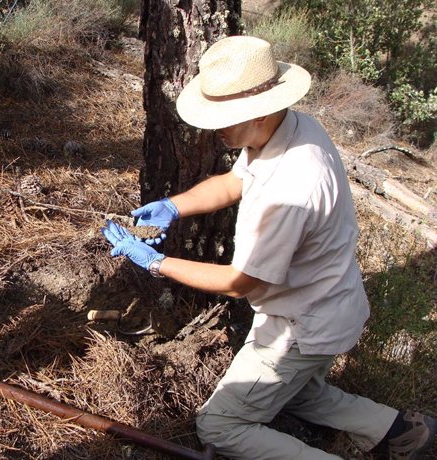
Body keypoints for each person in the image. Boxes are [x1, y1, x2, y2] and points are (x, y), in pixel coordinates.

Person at [102, 36, 436, 459]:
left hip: (301, 324)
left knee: (220, 425)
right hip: (327, 304)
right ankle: (400, 430)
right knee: (296, 392)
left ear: (257, 114)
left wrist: (157, 262)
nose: (215, 128)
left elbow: (240, 282)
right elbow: (234, 182)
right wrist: (173, 206)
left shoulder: (291, 190)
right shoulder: (290, 127)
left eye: (224, 118)